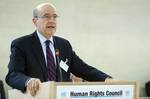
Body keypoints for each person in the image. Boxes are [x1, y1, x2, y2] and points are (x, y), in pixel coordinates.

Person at [5, 3, 112, 97]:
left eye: (54, 17)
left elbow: (83, 69)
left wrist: (107, 79)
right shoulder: (22, 44)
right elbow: (12, 75)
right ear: (35, 21)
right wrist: (28, 81)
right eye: (46, 16)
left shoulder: (64, 44)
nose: (52, 20)